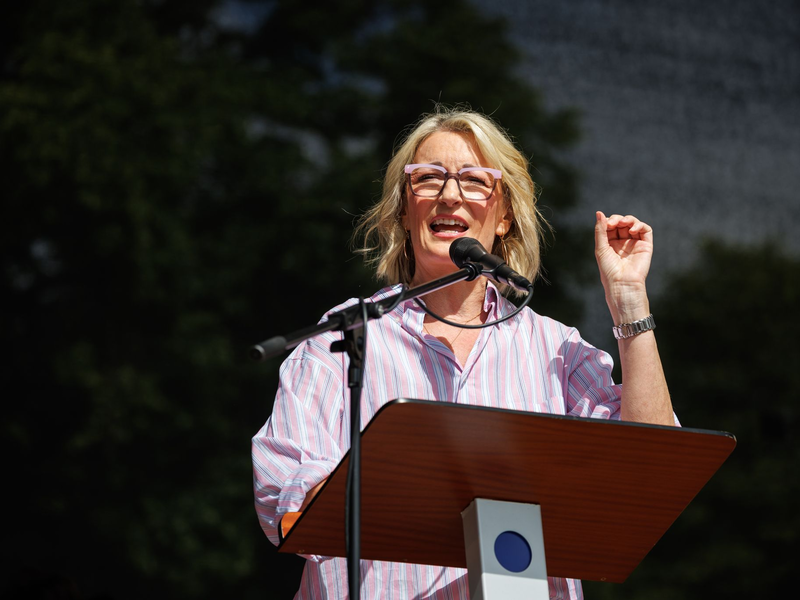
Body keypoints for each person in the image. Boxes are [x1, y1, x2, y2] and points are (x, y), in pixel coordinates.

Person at [252, 106, 676, 599]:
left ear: (505, 217)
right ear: (403, 210)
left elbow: (651, 463)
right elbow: (282, 488)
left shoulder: (553, 348)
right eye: (428, 178)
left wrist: (628, 299)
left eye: (475, 180)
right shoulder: (342, 340)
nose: (450, 194)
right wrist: (415, 486)